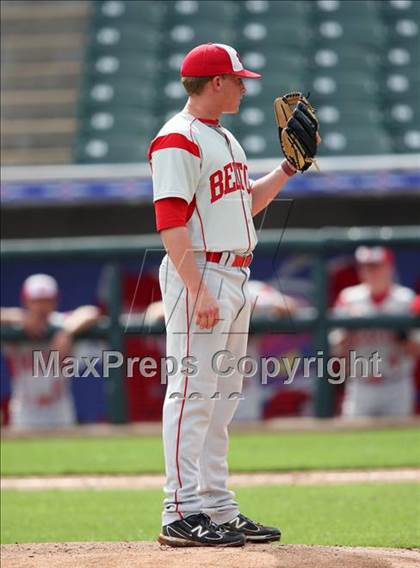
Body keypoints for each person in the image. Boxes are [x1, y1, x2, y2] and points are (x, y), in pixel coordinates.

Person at [148, 43, 320, 547]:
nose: (245, 87)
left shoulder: (223, 137)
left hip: (234, 274)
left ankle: (217, 506)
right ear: (216, 82)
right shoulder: (177, 139)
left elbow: (246, 203)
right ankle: (179, 511)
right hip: (198, 271)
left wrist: (287, 169)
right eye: (238, 79)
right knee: (192, 392)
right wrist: (197, 288)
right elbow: (169, 222)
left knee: (222, 398)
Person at [1, 273, 100, 429]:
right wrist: (17, 317)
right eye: (36, 301)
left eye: (46, 300)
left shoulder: (61, 322)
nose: (41, 306)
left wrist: (66, 332)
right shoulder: (16, 327)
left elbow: (91, 312)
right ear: (26, 301)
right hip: (24, 415)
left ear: (55, 301)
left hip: (61, 414)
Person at [330, 246, 417, 418]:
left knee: (400, 442)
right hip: (361, 385)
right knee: (352, 440)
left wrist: (401, 333)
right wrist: (350, 329)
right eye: (366, 266)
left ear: (389, 267)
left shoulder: (406, 299)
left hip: (396, 384)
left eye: (377, 266)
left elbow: (416, 351)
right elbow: (336, 351)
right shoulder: (348, 299)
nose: (371, 272)